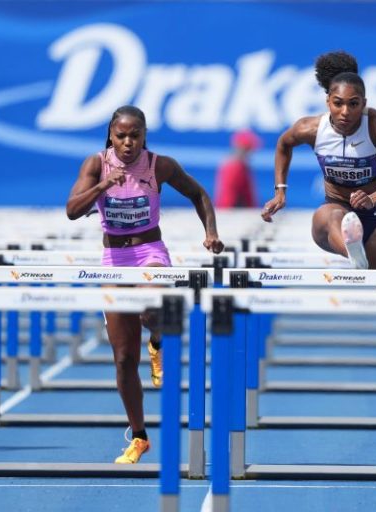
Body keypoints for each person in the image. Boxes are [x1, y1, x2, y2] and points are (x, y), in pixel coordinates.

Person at [66, 105, 224, 464]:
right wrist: (103, 185)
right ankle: (139, 436)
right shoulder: (95, 164)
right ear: (111, 136)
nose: (128, 143)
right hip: (113, 260)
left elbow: (198, 194)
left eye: (135, 136)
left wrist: (211, 233)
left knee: (152, 307)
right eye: (121, 136)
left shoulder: (159, 165)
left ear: (144, 136)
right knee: (124, 359)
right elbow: (72, 210)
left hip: (150, 253)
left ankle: (157, 340)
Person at [260, 50, 376, 349]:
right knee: (332, 215)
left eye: (354, 104)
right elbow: (284, 144)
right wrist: (280, 190)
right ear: (328, 102)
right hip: (334, 212)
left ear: (364, 103)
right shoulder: (311, 128)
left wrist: (374, 198)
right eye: (338, 103)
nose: (346, 112)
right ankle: (353, 253)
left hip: (375, 217)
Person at [214, 129, 262, 208]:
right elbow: (232, 196)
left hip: (232, 210)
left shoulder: (234, 164)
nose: (250, 152)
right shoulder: (235, 167)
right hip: (233, 211)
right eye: (248, 148)